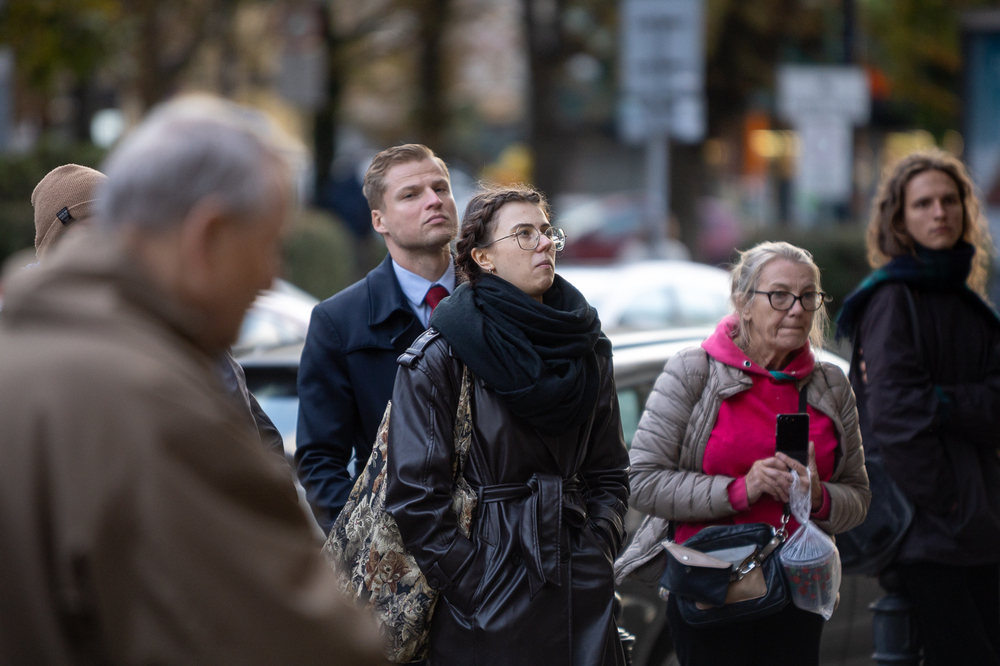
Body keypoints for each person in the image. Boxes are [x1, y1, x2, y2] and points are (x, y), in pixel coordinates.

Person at [0, 95, 385, 666]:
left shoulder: (27, 360)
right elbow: (305, 641)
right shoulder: (155, 405)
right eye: (267, 245)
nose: (272, 276)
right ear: (206, 236)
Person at [383, 185, 630, 666]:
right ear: (483, 258)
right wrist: (474, 580)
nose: (544, 243)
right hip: (486, 595)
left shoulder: (587, 344)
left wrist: (596, 549)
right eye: (523, 234)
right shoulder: (441, 355)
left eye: (546, 231)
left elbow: (610, 472)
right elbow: (414, 496)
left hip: (579, 583)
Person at [623, 241, 870, 666]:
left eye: (808, 296)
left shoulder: (830, 384)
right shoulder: (692, 371)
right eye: (779, 295)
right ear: (744, 302)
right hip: (712, 587)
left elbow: (859, 498)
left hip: (799, 590)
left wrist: (817, 497)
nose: (796, 308)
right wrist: (742, 489)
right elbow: (642, 481)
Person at [836, 151, 1000, 665]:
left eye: (950, 200)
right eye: (924, 203)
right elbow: (895, 418)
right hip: (927, 528)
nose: (939, 213)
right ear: (900, 218)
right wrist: (948, 501)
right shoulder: (891, 298)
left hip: (977, 520)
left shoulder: (965, 298)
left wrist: (943, 402)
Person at [30, 163, 285, 460]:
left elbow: (258, 440)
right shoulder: (38, 353)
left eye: (116, 229)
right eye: (92, 235)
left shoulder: (177, 327)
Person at [296, 143, 459, 531]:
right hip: (397, 560)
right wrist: (365, 545)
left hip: (506, 558)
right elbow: (321, 460)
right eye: (411, 194)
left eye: (441, 188)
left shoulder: (499, 300)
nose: (434, 201)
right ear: (379, 220)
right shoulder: (338, 321)